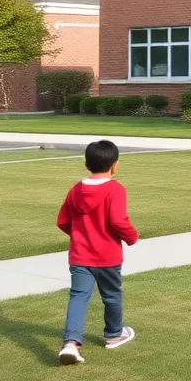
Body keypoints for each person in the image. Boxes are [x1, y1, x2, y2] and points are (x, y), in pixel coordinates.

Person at [56, 140, 139, 365]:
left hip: (80, 255)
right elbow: (118, 220)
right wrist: (132, 237)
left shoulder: (76, 190)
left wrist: (80, 236)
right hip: (107, 256)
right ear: (115, 165)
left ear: (86, 163)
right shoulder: (115, 189)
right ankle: (113, 335)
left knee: (78, 297)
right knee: (111, 295)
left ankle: (71, 343)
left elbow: (63, 220)